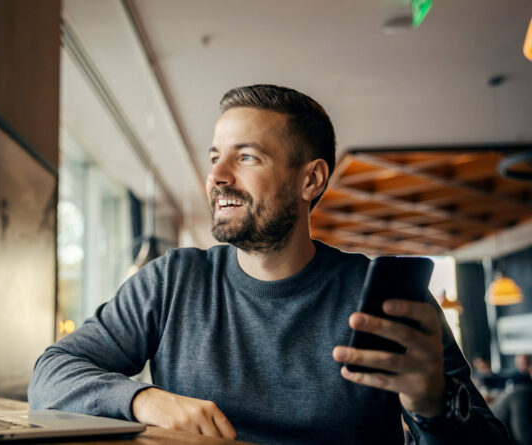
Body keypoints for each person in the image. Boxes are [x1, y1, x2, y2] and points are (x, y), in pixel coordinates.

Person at [28, 84, 512, 444]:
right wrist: (142, 399)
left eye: (247, 157)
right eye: (216, 156)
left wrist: (432, 406)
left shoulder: (381, 299)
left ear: (311, 180)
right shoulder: (172, 280)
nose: (216, 176)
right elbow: (51, 373)